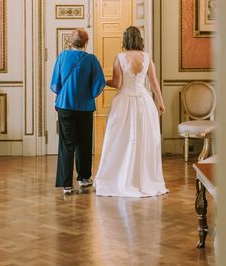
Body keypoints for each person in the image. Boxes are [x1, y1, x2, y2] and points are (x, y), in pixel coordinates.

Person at [94, 26, 168, 197]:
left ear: (125, 40)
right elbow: (154, 82)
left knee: (119, 140)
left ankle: (119, 178)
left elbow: (118, 84)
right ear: (139, 39)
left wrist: (103, 81)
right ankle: (142, 178)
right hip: (144, 103)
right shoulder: (147, 58)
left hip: (124, 102)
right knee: (144, 140)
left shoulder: (120, 57)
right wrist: (161, 102)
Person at [50, 28, 105, 195]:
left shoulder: (62, 56)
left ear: (71, 42)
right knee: (84, 142)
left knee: (67, 144)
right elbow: (99, 83)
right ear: (86, 43)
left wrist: (60, 98)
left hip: (64, 105)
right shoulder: (91, 59)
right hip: (84, 107)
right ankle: (83, 178)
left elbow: (56, 83)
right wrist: (87, 95)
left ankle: (66, 184)